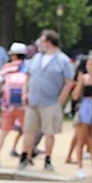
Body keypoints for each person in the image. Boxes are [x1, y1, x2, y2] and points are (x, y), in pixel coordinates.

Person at [19, 30, 75, 172]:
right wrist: (25, 92)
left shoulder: (63, 60)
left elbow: (69, 81)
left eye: (42, 41)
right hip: (33, 99)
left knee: (49, 131)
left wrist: (60, 100)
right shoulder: (37, 57)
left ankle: (48, 159)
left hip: (50, 101)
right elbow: (28, 75)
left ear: (49, 42)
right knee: (29, 130)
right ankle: (25, 155)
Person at [0, 43, 29, 166]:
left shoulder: (7, 67)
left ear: (13, 55)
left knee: (3, 132)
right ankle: (25, 157)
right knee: (26, 132)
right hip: (24, 106)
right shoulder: (28, 67)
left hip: (8, 106)